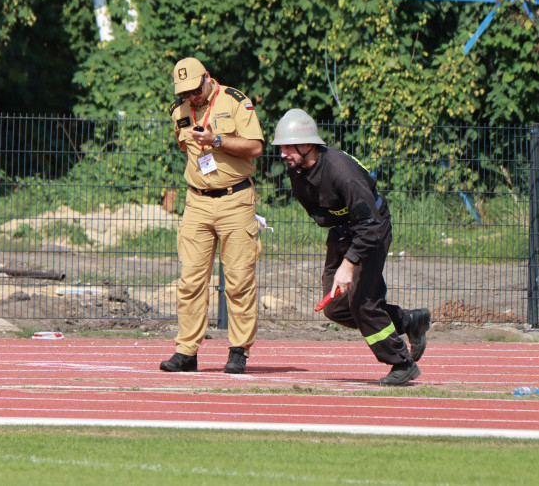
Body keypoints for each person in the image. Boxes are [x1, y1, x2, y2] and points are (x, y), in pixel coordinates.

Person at [272, 108, 431, 386]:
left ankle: (402, 363)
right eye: (281, 147)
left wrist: (349, 263)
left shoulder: (341, 172)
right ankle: (407, 321)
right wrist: (341, 247)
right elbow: (321, 213)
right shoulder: (298, 170)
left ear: (307, 144)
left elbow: (369, 225)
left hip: (372, 228)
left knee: (363, 302)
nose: (283, 153)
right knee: (336, 308)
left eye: (287, 147)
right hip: (342, 232)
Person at [160, 57, 264, 374]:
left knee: (239, 280)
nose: (192, 97)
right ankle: (186, 352)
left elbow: (256, 147)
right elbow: (185, 148)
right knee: (190, 281)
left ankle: (238, 350)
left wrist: (216, 140)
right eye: (185, 93)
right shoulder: (179, 113)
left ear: (207, 78)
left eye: (195, 89)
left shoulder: (235, 100)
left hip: (235, 199)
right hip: (197, 202)